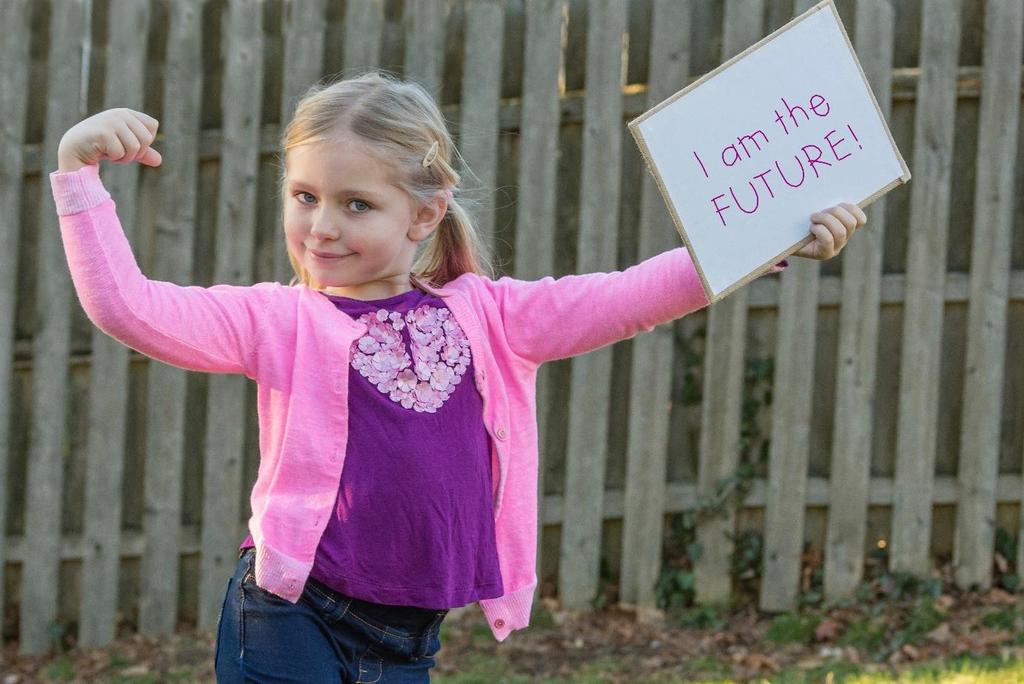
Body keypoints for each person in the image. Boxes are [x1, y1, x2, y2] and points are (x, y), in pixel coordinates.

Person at [50, 71, 866, 682]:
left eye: (355, 204)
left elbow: (629, 296)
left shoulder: (493, 318)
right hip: (290, 613)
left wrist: (762, 242)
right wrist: (78, 177)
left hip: (409, 637)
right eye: (305, 196)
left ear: (425, 212)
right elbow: (130, 308)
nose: (321, 226)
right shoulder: (280, 320)